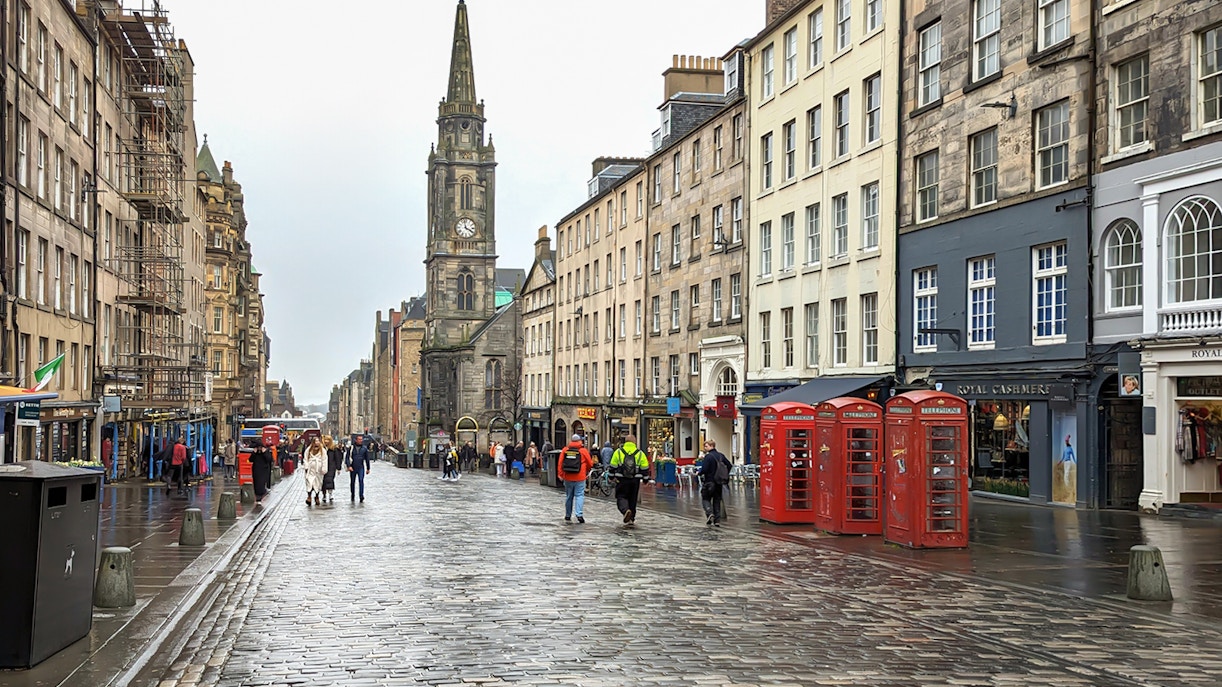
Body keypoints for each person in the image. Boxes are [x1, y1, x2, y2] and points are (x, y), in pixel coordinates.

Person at [610, 434, 650, 525]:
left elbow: (612, 466)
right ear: (634, 442)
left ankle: (625, 510)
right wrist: (645, 480)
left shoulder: (618, 452)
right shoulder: (640, 453)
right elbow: (645, 468)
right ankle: (631, 518)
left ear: (625, 442)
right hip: (634, 480)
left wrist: (611, 476)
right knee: (633, 499)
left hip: (622, 479)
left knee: (621, 496)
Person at [559, 433, 594, 523]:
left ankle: (567, 515)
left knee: (569, 496)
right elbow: (590, 463)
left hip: (568, 476)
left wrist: (560, 474)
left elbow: (560, 463)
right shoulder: (583, 451)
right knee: (579, 495)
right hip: (580, 476)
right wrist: (587, 470)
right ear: (579, 441)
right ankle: (579, 514)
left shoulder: (565, 450)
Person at [698, 439, 732, 527]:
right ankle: (717, 520)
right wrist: (724, 474)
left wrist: (699, 473)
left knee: (705, 498)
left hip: (709, 481)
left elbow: (704, 469)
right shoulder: (721, 456)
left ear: (711, 446)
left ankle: (709, 513)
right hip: (719, 482)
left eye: (706, 446)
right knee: (717, 500)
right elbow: (729, 465)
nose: (705, 448)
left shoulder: (708, 457)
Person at [302, 436, 328, 506]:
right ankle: (309, 496)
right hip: (310, 470)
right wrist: (306, 466)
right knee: (309, 483)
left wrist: (324, 468)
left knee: (318, 484)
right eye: (315, 442)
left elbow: (324, 460)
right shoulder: (308, 450)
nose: (317, 443)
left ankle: (317, 496)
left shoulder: (323, 451)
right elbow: (305, 458)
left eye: (318, 441)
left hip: (318, 471)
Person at [346, 434, 372, 502]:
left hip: (361, 467)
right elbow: (347, 458)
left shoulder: (364, 448)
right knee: (352, 482)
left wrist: (368, 468)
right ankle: (352, 494)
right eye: (359, 439)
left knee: (361, 480)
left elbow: (367, 459)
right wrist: (349, 466)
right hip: (353, 467)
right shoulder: (351, 448)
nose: (361, 441)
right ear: (356, 440)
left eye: (361, 439)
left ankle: (361, 495)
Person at [323, 436, 342, 503]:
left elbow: (337, 458)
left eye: (327, 440)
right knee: (323, 481)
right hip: (323, 467)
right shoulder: (322, 448)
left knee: (330, 480)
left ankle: (330, 494)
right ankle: (324, 494)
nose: (326, 441)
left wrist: (338, 468)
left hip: (331, 467)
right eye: (325, 440)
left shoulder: (334, 449)